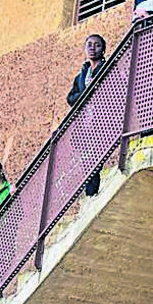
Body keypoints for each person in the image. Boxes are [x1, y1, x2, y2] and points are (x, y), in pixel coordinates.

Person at [67, 35, 108, 197]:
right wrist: (86, 94)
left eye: (97, 45)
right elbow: (70, 98)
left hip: (102, 120)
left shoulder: (107, 68)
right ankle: (90, 194)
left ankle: (94, 192)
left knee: (96, 157)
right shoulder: (81, 75)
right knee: (86, 160)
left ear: (103, 49)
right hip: (85, 122)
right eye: (89, 45)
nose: (93, 48)